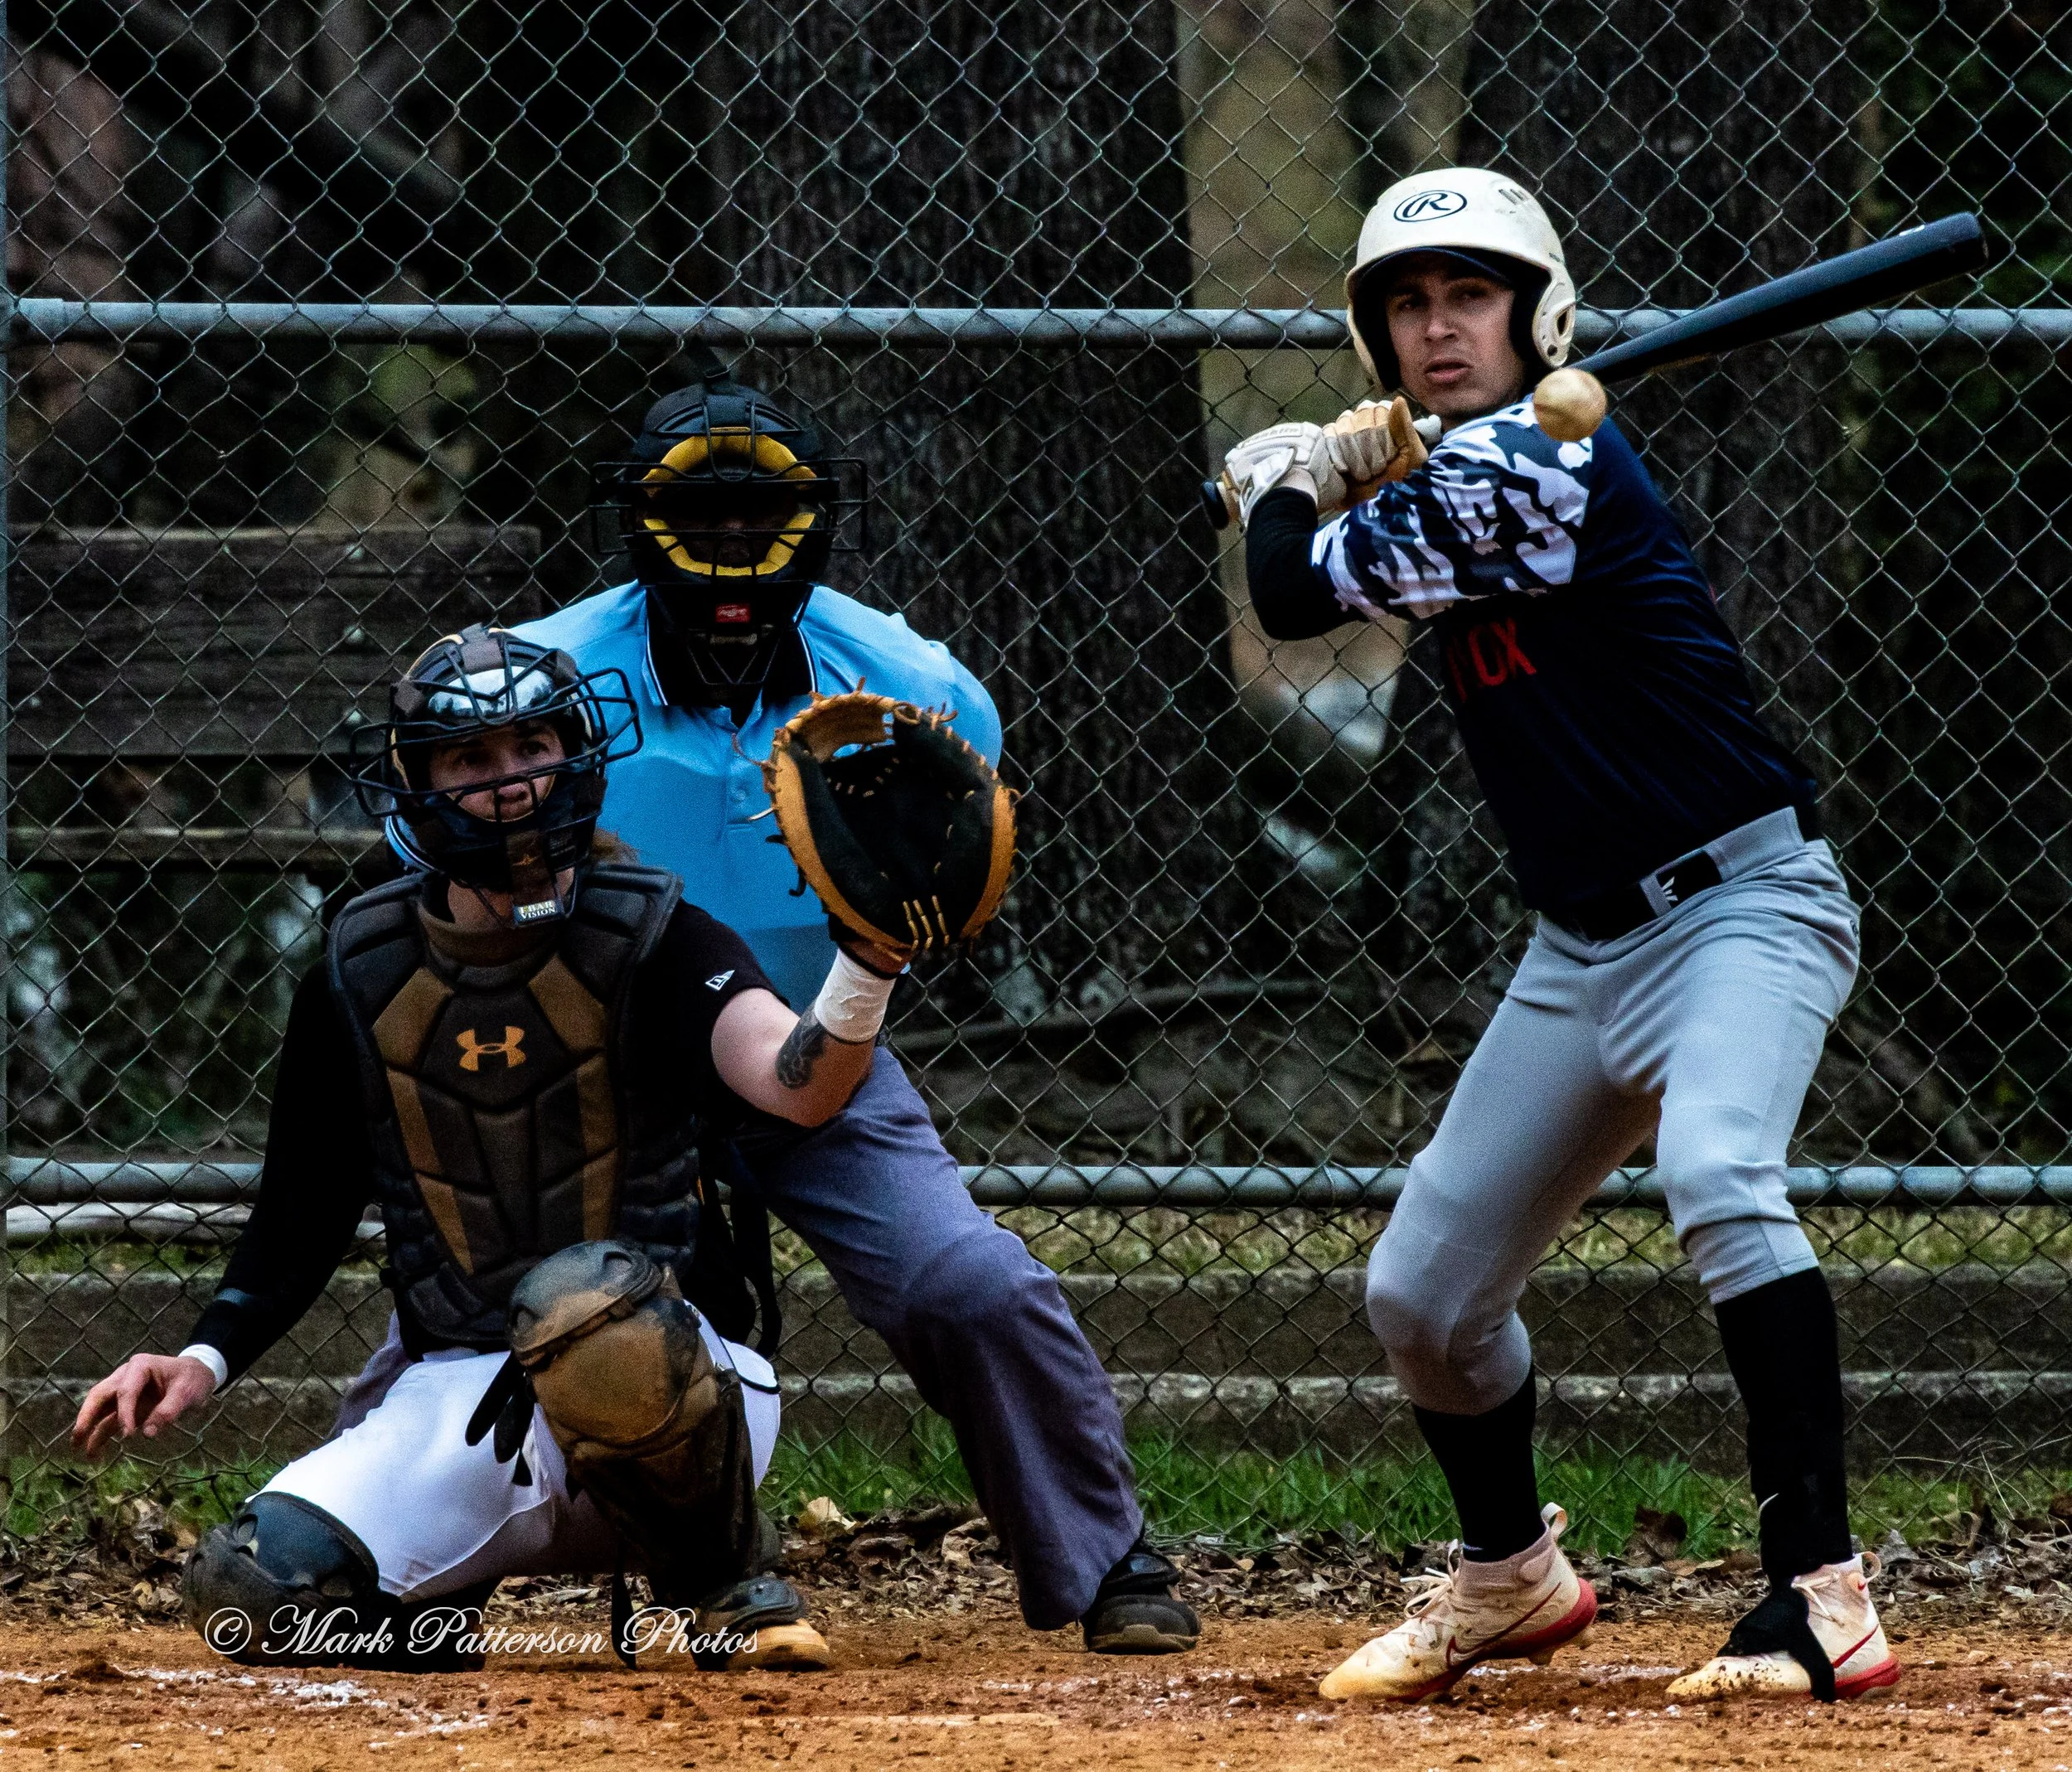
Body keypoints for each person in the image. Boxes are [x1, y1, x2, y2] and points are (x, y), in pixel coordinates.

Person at [398, 361, 1195, 1655]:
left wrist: (895, 925)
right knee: (500, 1295)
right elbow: (444, 896)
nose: (726, 553)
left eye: (751, 522)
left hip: (818, 1032)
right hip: (593, 1055)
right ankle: (402, 1552)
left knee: (968, 1278)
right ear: (638, 523)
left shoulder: (902, 683)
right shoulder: (552, 686)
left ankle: (1104, 1559)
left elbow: (955, 876)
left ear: (811, 525)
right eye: (694, 521)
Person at [1224, 167, 1895, 1704]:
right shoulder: (1471, 473)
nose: (1439, 326)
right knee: (1422, 1298)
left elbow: (1285, 587)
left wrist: (1282, 479)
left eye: (1471, 297)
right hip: (1577, 949)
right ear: (1378, 334)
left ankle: (1823, 1591)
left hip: (1740, 904)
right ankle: (1510, 1574)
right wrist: (1348, 481)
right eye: (1409, 303)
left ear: (1541, 321)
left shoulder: (1539, 471)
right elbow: (1366, 552)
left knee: (1722, 1171)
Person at [70, 625, 903, 1672]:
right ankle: (449, 1608)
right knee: (254, 1584)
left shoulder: (655, 932)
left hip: (682, 1388)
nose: (512, 783)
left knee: (586, 1299)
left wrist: (866, 957)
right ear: (418, 781)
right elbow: (302, 1210)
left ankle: (723, 1574)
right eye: (473, 759)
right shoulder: (359, 966)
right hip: (467, 1388)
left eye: (533, 749)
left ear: (577, 755)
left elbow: (803, 1082)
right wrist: (200, 1356)